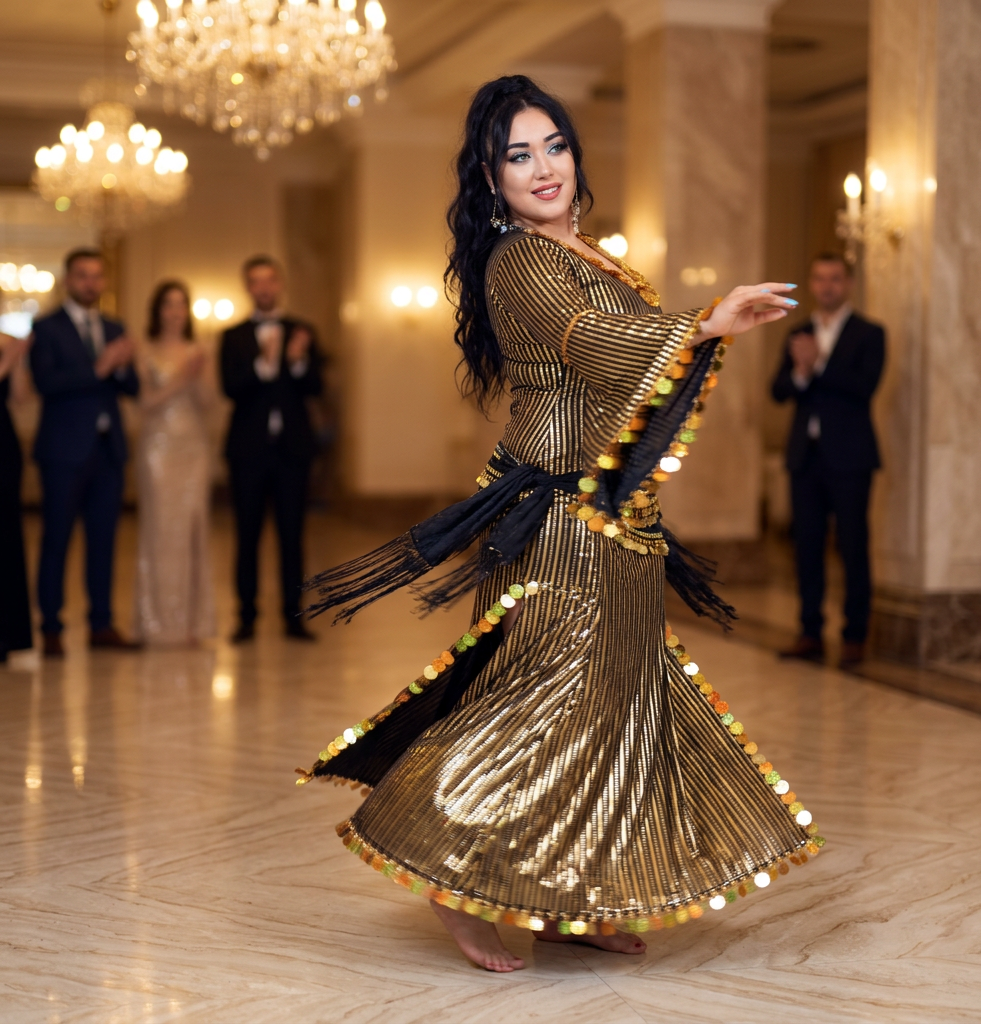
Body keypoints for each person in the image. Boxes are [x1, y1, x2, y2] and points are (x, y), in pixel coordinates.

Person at [294, 77, 824, 973]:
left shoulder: (592, 253)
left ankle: (562, 902)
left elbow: (631, 365)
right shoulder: (520, 263)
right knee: (533, 704)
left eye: (553, 147)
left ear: (576, 155)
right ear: (491, 180)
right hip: (554, 517)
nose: (542, 168)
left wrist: (693, 328)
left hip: (614, 516)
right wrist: (705, 320)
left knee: (609, 710)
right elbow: (595, 345)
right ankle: (445, 871)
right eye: (517, 156)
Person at [771, 253, 885, 668]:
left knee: (853, 546)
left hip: (852, 458)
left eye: (835, 279)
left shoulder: (869, 334)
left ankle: (855, 636)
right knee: (806, 549)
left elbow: (864, 387)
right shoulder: (800, 331)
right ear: (812, 283)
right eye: (819, 279)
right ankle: (809, 633)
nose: (827, 286)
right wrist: (801, 372)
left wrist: (818, 365)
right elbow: (779, 390)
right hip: (806, 458)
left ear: (849, 283)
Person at [29, 249, 140, 658]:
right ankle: (52, 627)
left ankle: (101, 624)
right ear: (68, 280)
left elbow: (129, 388)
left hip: (107, 451)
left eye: (97, 276)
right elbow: (46, 382)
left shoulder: (114, 326)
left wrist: (124, 367)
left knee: (104, 541)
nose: (90, 283)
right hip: (62, 451)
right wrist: (99, 367)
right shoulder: (46, 327)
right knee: (57, 539)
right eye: (82, 276)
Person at [219, 256, 322, 642]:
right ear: (248, 287)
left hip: (293, 452)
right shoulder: (234, 336)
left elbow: (315, 387)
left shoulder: (303, 331)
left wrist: (296, 362)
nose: (263, 288)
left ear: (279, 284)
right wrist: (264, 364)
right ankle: (246, 616)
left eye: (269, 281)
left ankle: (293, 618)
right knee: (246, 535)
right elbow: (230, 388)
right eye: (255, 282)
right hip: (247, 452)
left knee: (292, 536)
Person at [134, 281, 216, 646]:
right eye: (168, 304)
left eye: (181, 304)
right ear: (158, 310)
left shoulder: (200, 349)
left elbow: (209, 401)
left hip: (193, 447)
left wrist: (196, 377)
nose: (175, 311)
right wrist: (181, 379)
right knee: (159, 530)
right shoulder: (144, 348)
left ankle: (191, 624)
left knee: (191, 530)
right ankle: (155, 622)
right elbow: (145, 403)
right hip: (157, 447)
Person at [0, 331, 33, 663]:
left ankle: (10, 635)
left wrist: (19, 359)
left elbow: (21, 397)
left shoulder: (3, 342)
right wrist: (8, 360)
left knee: (7, 536)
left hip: (4, 444)